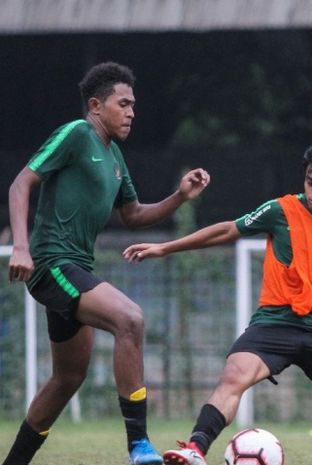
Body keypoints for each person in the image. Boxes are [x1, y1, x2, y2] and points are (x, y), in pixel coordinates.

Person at [122, 140, 312, 465]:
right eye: (310, 182)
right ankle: (194, 449)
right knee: (233, 378)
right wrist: (165, 248)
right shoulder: (281, 210)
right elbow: (227, 230)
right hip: (274, 324)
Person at [5, 62, 210, 465]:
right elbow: (21, 182)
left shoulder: (114, 156)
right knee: (129, 319)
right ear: (96, 105)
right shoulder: (77, 133)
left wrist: (180, 197)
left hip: (76, 267)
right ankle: (139, 445)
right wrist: (21, 246)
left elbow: (132, 214)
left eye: (134, 105)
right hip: (52, 264)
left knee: (67, 378)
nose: (132, 112)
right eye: (124, 103)